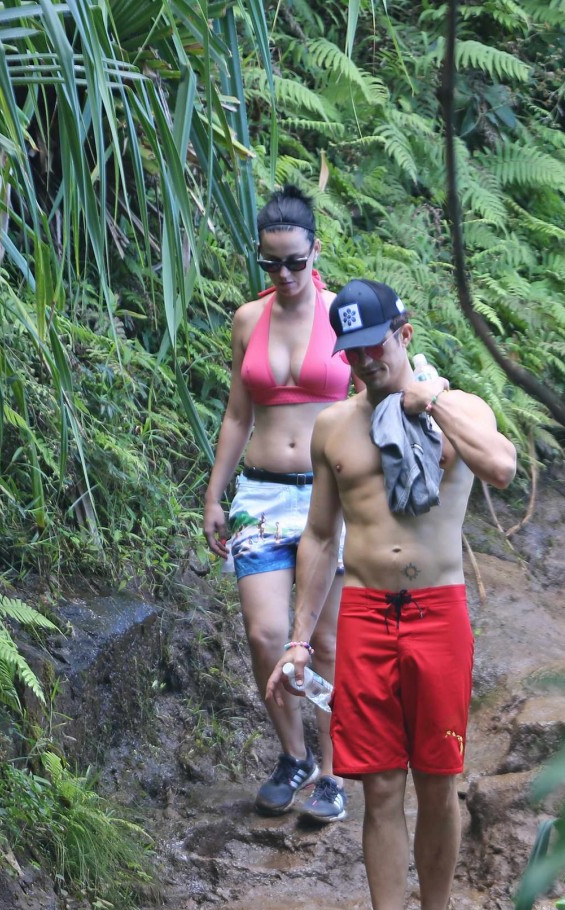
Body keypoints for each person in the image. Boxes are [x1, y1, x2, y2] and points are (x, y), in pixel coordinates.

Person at [267, 279, 517, 910]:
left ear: (403, 333)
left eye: (373, 345)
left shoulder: (459, 408)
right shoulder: (333, 428)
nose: (362, 363)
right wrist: (298, 638)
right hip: (367, 612)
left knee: (437, 780)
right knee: (378, 783)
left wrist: (427, 402)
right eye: (350, 352)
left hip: (438, 609)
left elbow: (499, 467)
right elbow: (319, 536)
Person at [204, 185, 358, 823]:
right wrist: (215, 493)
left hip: (331, 495)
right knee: (266, 633)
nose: (286, 275)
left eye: (296, 261)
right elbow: (238, 414)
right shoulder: (248, 320)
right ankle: (293, 754)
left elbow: (376, 392)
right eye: (273, 264)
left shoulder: (343, 315)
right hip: (262, 492)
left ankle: (333, 770)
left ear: (315, 250)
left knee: (325, 640)